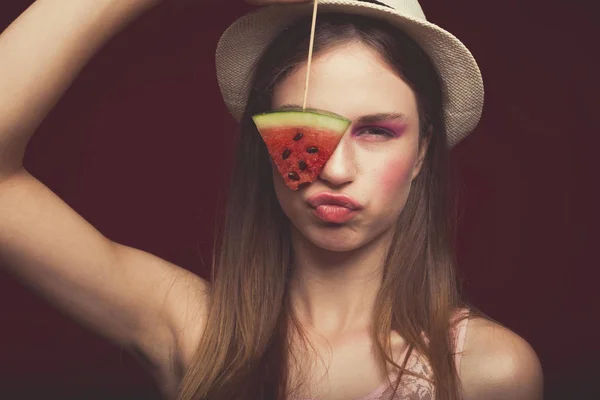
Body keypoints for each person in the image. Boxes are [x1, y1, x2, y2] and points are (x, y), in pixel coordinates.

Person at [0, 0, 543, 399]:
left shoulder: (489, 371)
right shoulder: (194, 331)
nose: (333, 169)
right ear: (266, 146)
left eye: (376, 131)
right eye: (305, 132)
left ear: (424, 151)